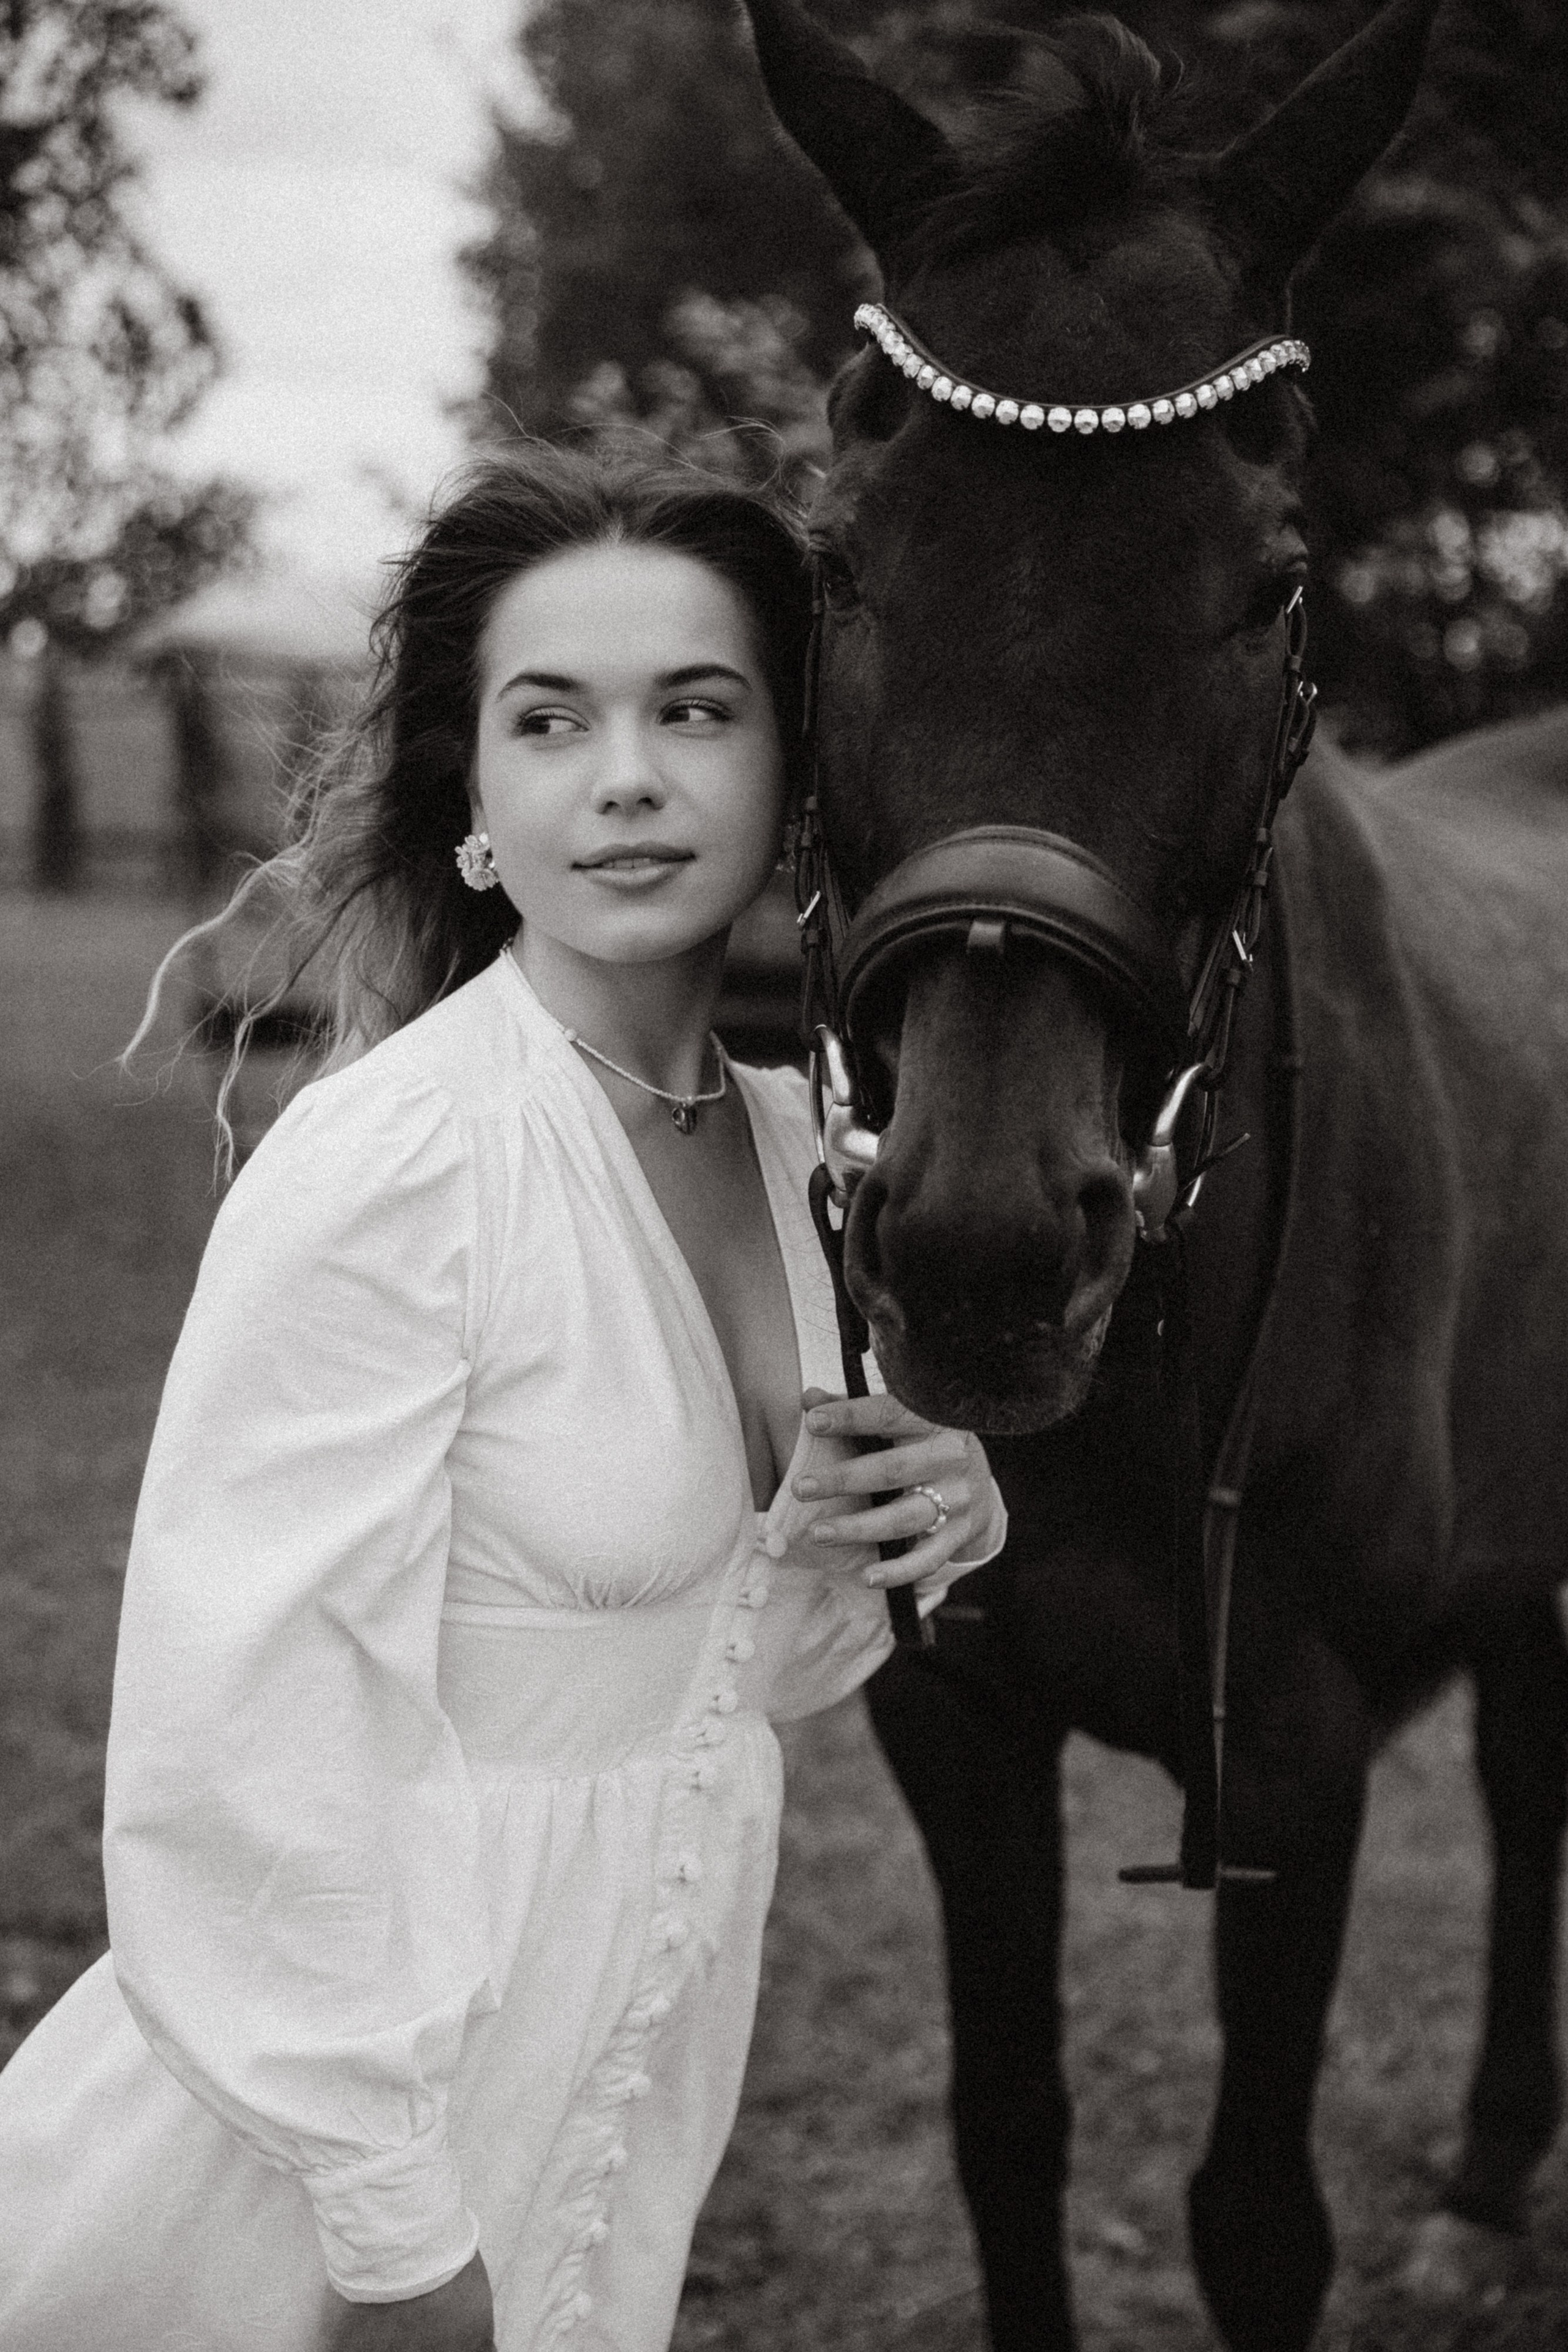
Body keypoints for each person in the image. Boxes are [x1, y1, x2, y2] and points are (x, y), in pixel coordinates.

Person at [0, 446, 1006, 2352]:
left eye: (695, 710)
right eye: (550, 720)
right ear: (477, 794)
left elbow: (713, 1667)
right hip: (326, 2135)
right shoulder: (403, 1162)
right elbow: (242, 1738)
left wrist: (928, 1511)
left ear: (793, 770)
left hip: (614, 2050)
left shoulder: (799, 1152)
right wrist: (392, 2235)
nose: (624, 776)